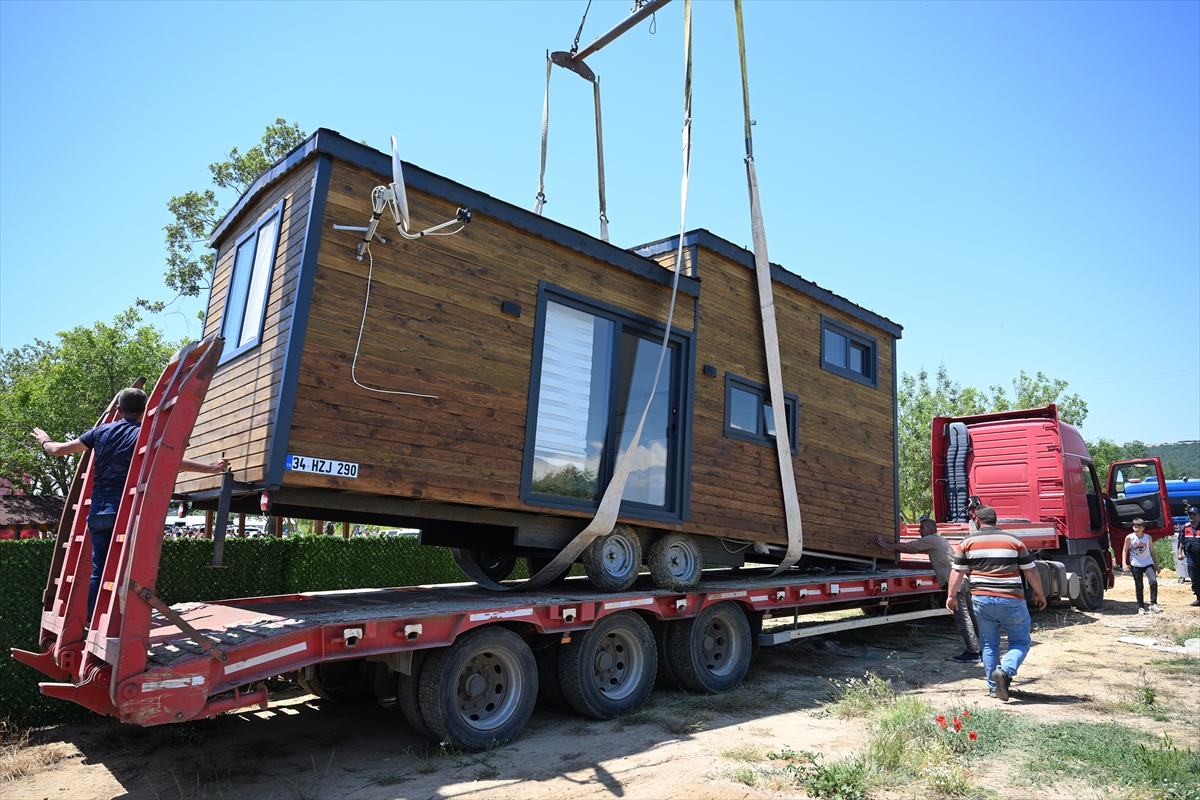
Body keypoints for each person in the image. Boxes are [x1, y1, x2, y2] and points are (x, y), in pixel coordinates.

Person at [32, 388, 228, 619]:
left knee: (99, 570)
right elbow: (174, 460)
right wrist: (211, 468)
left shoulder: (100, 432)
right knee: (128, 572)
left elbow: (57, 450)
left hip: (98, 513)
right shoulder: (145, 436)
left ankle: (94, 620)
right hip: (123, 513)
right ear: (145, 411)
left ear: (118, 409)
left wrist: (45, 440)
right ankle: (121, 621)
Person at [946, 505, 1046, 701]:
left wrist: (951, 596)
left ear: (977, 521)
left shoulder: (967, 542)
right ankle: (1006, 672)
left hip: (981, 600)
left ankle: (993, 687)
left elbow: (957, 571)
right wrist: (1040, 593)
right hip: (1011, 599)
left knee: (989, 644)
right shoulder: (1014, 541)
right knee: (1020, 641)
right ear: (995, 521)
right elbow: (1030, 570)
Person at [877, 519, 980, 662]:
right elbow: (914, 549)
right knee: (971, 616)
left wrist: (887, 545)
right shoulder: (936, 541)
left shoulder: (931, 539)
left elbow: (909, 546)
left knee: (963, 619)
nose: (919, 530)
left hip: (954, 583)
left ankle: (973, 653)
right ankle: (981, 648)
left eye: (922, 528)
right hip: (961, 581)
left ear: (931, 530)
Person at [1121, 518, 1160, 614]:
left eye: (1139, 527)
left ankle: (1153, 604)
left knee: (1153, 581)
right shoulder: (1129, 538)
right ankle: (1141, 607)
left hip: (1148, 563)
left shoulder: (1148, 537)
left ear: (1143, 528)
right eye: (1135, 527)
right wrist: (1124, 563)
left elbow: (1152, 551)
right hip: (1135, 564)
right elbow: (1125, 550)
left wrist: (1157, 565)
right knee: (1139, 585)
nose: (1137, 529)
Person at [1179, 506, 1200, 607]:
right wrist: (1179, 553)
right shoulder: (1185, 527)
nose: (1192, 516)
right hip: (1191, 557)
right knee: (1194, 578)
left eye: (1194, 514)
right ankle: (1199, 598)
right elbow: (1180, 541)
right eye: (1190, 514)